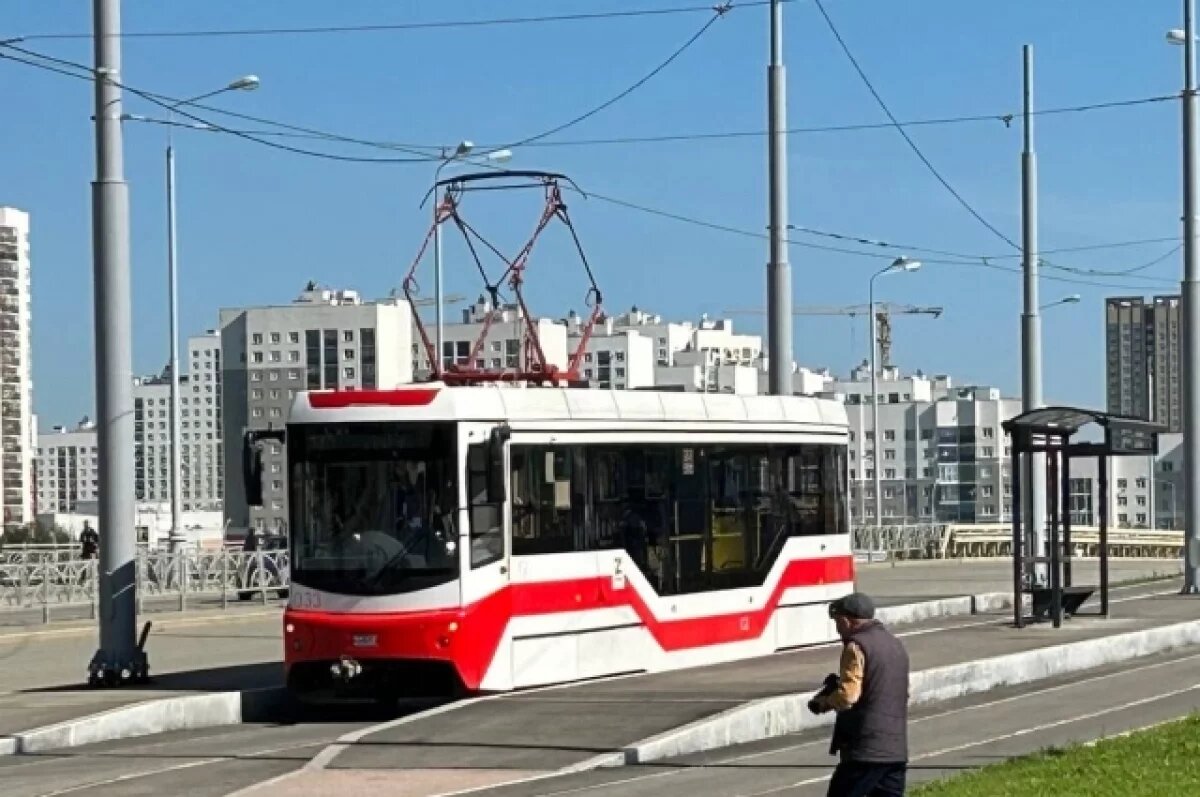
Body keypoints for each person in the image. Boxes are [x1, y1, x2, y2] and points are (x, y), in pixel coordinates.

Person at [808, 592, 910, 797]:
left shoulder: (856, 646)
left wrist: (825, 702)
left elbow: (848, 696)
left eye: (837, 622)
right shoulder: (895, 644)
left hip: (866, 750)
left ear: (846, 621)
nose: (837, 629)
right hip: (896, 751)